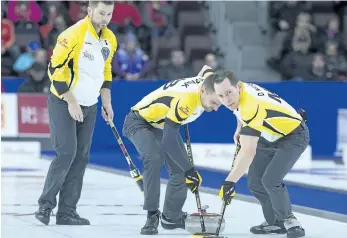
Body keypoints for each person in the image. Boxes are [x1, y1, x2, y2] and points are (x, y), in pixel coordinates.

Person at [35, 1, 117, 226]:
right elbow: (54, 69)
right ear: (89, 11)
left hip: (90, 105)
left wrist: (106, 102)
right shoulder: (72, 34)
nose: (105, 18)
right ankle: (45, 206)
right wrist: (71, 102)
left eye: (109, 14)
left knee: (81, 158)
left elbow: (106, 70)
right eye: (101, 13)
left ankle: (67, 212)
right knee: (66, 153)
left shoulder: (110, 38)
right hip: (63, 101)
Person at [122, 65, 220, 235]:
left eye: (219, 103)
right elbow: (168, 140)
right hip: (139, 121)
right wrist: (190, 170)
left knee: (180, 170)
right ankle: (152, 215)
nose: (216, 108)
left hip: (162, 124)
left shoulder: (209, 83)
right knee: (154, 158)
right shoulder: (187, 99)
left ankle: (171, 217)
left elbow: (206, 69)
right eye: (213, 102)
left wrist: (187, 170)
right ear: (203, 90)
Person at [211, 70, 309, 238]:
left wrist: (229, 182)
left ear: (238, 87)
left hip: (293, 135)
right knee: (255, 182)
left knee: (271, 180)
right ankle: (275, 223)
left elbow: (248, 152)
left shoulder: (251, 104)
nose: (226, 100)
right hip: (268, 134)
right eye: (220, 96)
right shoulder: (239, 93)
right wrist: (240, 128)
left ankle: (290, 220)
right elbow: (238, 111)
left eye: (229, 93)